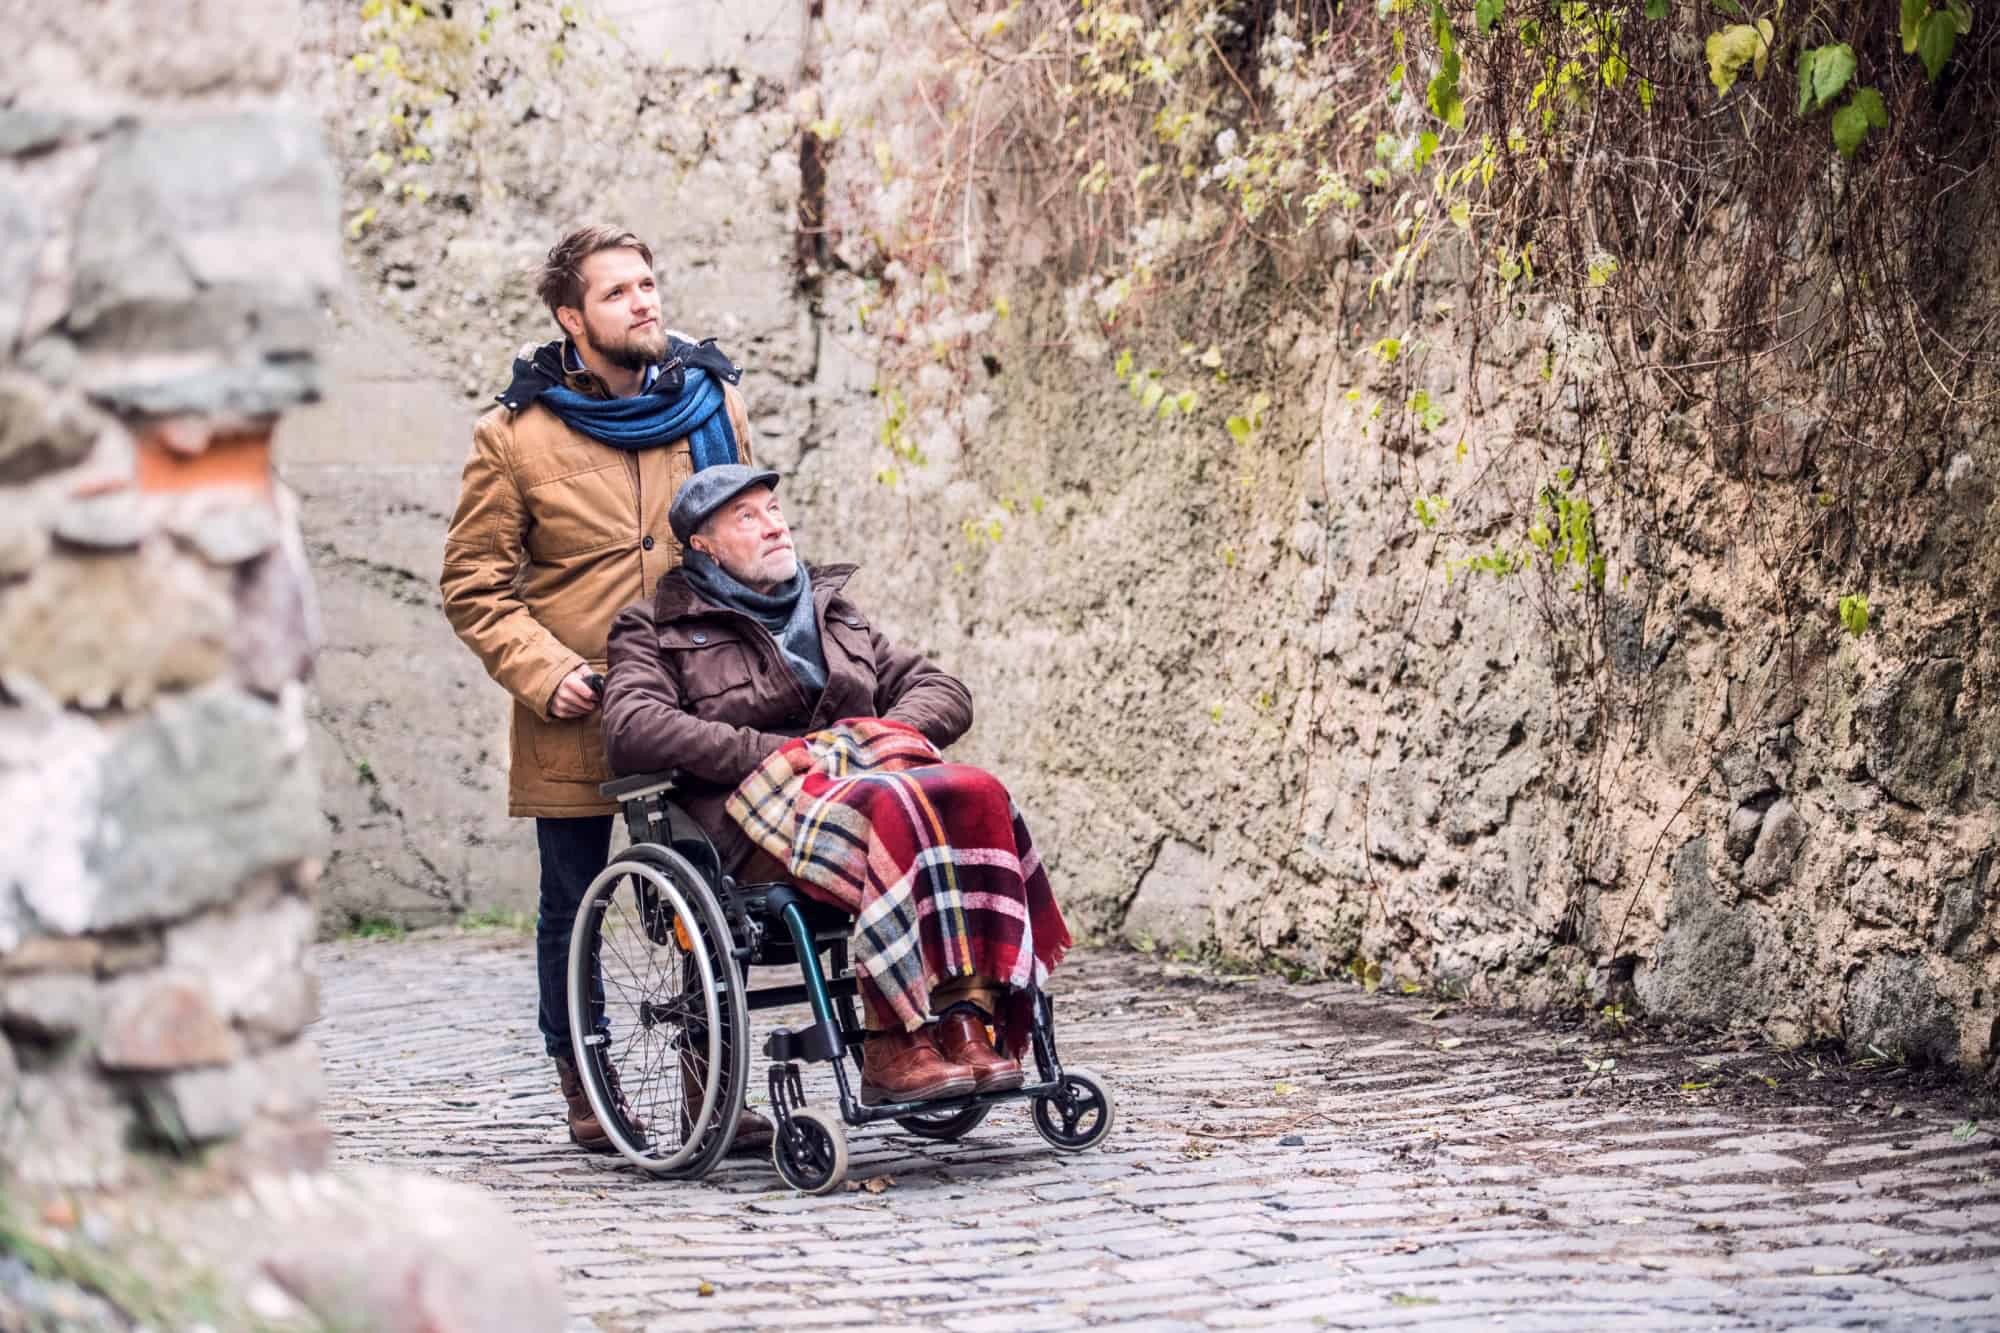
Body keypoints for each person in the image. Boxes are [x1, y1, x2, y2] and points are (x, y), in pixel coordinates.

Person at [439, 224, 771, 1155]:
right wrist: (548, 674)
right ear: (571, 317)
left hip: (693, 702)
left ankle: (715, 1088)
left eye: (648, 284)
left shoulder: (712, 402)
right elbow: (474, 585)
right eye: (619, 292)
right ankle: (586, 1084)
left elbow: (748, 536)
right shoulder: (514, 436)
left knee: (713, 887)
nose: (644, 302)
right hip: (577, 711)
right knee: (573, 898)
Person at [602, 465, 1070, 1106]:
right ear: (702, 544)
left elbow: (944, 691)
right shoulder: (656, 625)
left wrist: (875, 740)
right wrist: (774, 753)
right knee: (892, 806)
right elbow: (632, 726)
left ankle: (964, 1014)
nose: (774, 524)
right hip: (751, 819)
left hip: (862, 793)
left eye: (774, 508)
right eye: (748, 516)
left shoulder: (831, 611)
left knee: (974, 791)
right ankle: (893, 1038)